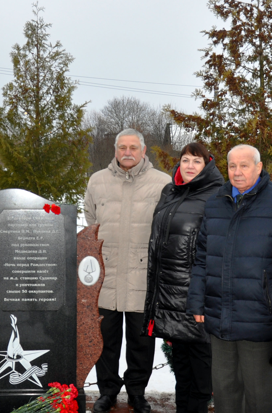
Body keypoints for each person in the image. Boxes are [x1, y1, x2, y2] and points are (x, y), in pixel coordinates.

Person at [187, 144, 272, 413]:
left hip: (261, 319)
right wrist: (197, 300)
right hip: (220, 319)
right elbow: (202, 257)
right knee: (224, 394)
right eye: (232, 166)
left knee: (258, 398)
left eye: (244, 165)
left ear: (258, 167)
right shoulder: (215, 203)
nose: (237, 172)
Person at [84, 128, 172, 413]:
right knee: (105, 341)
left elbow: (166, 229)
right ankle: (107, 391)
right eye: (122, 147)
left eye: (133, 147)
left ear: (143, 150)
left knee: (140, 343)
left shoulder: (162, 183)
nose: (127, 152)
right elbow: (91, 223)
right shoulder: (97, 181)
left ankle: (137, 392)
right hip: (106, 277)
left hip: (142, 278)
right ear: (115, 149)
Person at [142, 142, 224, 413]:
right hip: (170, 298)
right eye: (186, 160)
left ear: (207, 164)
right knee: (183, 372)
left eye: (197, 161)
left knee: (201, 375)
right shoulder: (170, 191)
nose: (190, 166)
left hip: (198, 299)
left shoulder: (217, 195)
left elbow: (218, 251)